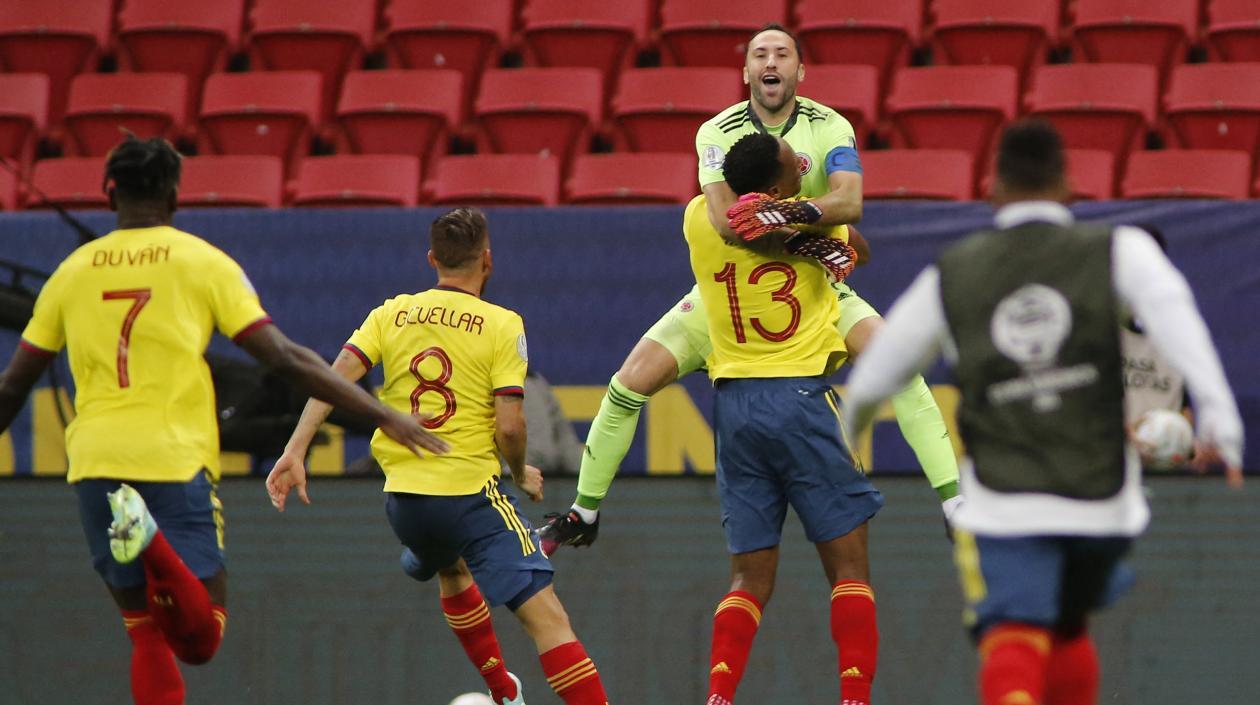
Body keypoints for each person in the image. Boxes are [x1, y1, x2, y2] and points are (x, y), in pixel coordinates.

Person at [0, 136, 447, 705]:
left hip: (96, 466)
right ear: (174, 195)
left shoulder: (71, 274)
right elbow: (284, 359)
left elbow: (13, 385)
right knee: (202, 638)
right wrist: (381, 412)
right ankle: (152, 542)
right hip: (172, 459)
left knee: (146, 634)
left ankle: (142, 539)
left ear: (109, 193)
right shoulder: (202, 263)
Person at [843, 120, 1244, 705]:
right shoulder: (1121, 251)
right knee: (1066, 626)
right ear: (1068, 185)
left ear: (992, 188)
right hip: (1102, 501)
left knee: (1012, 630)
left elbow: (878, 374)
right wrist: (1221, 421)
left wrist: (849, 430)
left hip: (1006, 498)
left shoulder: (953, 271)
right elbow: (1179, 322)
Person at [539, 22, 959, 553]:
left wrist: (789, 218)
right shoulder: (716, 132)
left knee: (898, 368)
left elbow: (850, 203)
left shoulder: (830, 126)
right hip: (728, 292)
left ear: (800, 70)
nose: (771, 62)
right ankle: (584, 512)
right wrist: (808, 239)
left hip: (813, 288)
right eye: (761, 54)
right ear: (746, 71)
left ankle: (954, 504)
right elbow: (724, 222)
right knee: (627, 385)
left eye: (782, 53)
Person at [265, 208, 611, 705]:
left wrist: (295, 449)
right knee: (549, 620)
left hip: (404, 502)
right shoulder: (502, 323)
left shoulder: (391, 313)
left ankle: (501, 690)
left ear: (432, 259)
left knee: (451, 568)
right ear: (487, 260)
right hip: (471, 497)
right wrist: (518, 474)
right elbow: (510, 426)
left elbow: (331, 378)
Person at [685, 132, 883, 705]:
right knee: (849, 570)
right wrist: (801, 220)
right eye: (792, 165)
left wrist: (766, 213)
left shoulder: (698, 218)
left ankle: (719, 696)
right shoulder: (816, 226)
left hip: (735, 410)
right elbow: (860, 250)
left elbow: (727, 215)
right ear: (775, 189)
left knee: (748, 579)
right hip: (801, 399)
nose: (802, 163)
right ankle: (854, 699)